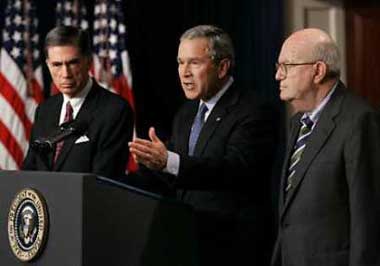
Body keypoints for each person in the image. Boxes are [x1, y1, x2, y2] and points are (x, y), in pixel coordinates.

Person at [129, 25, 278, 266]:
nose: (184, 72)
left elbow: (235, 169)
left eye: (194, 63)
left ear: (222, 67)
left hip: (234, 248)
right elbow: (177, 178)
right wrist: (147, 165)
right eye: (180, 62)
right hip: (189, 243)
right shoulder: (186, 113)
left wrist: (169, 161)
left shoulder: (254, 110)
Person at [271, 28, 380, 266]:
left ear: (318, 71)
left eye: (286, 66)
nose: (278, 75)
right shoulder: (296, 123)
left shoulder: (359, 120)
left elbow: (367, 217)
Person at [22, 26, 134, 179]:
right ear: (48, 65)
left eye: (73, 63)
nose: (65, 74)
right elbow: (30, 170)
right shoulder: (44, 110)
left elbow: (103, 181)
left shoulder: (114, 111)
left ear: (88, 61)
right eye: (57, 65)